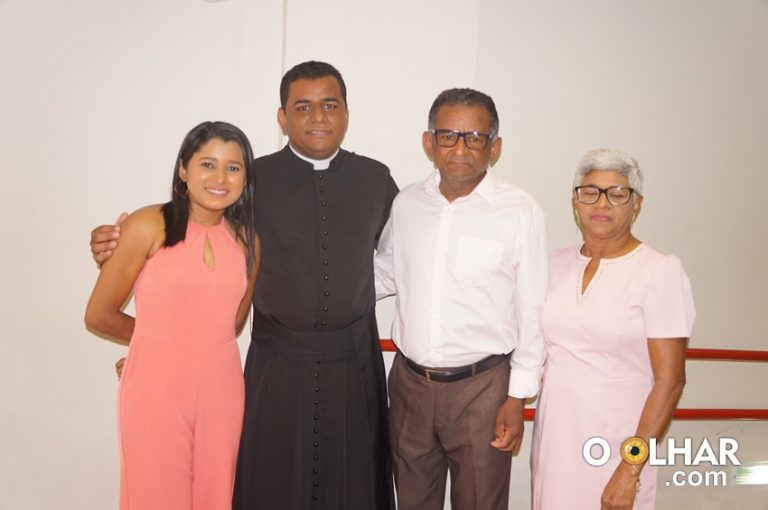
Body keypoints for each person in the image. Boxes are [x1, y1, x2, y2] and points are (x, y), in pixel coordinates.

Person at [90, 61, 397, 510]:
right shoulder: (252, 179)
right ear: (282, 117)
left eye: (330, 105)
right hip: (276, 363)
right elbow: (190, 240)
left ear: (347, 113)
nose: (318, 117)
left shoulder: (376, 179)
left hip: (352, 360)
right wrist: (111, 244)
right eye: (303, 107)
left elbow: (405, 256)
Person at [375, 88, 548, 510]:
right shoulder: (407, 204)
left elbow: (533, 309)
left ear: (495, 147)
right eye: (448, 136)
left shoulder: (520, 211)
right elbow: (384, 273)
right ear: (429, 142)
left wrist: (518, 396)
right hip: (410, 387)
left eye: (475, 138)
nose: (460, 149)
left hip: (483, 390)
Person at [85, 121, 260, 510]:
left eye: (233, 167)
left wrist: (179, 344)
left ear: (246, 177)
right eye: (207, 164)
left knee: (216, 497)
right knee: (156, 497)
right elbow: (98, 314)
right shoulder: (148, 224)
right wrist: (155, 346)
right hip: (156, 390)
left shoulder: (249, 241)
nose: (220, 178)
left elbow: (231, 324)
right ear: (184, 169)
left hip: (223, 392)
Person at [530, 149, 696, 510]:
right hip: (554, 440)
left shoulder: (659, 271)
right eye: (590, 192)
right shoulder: (554, 264)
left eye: (617, 193)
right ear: (575, 201)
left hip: (617, 446)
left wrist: (631, 469)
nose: (602, 203)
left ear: (636, 204)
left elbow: (670, 382)